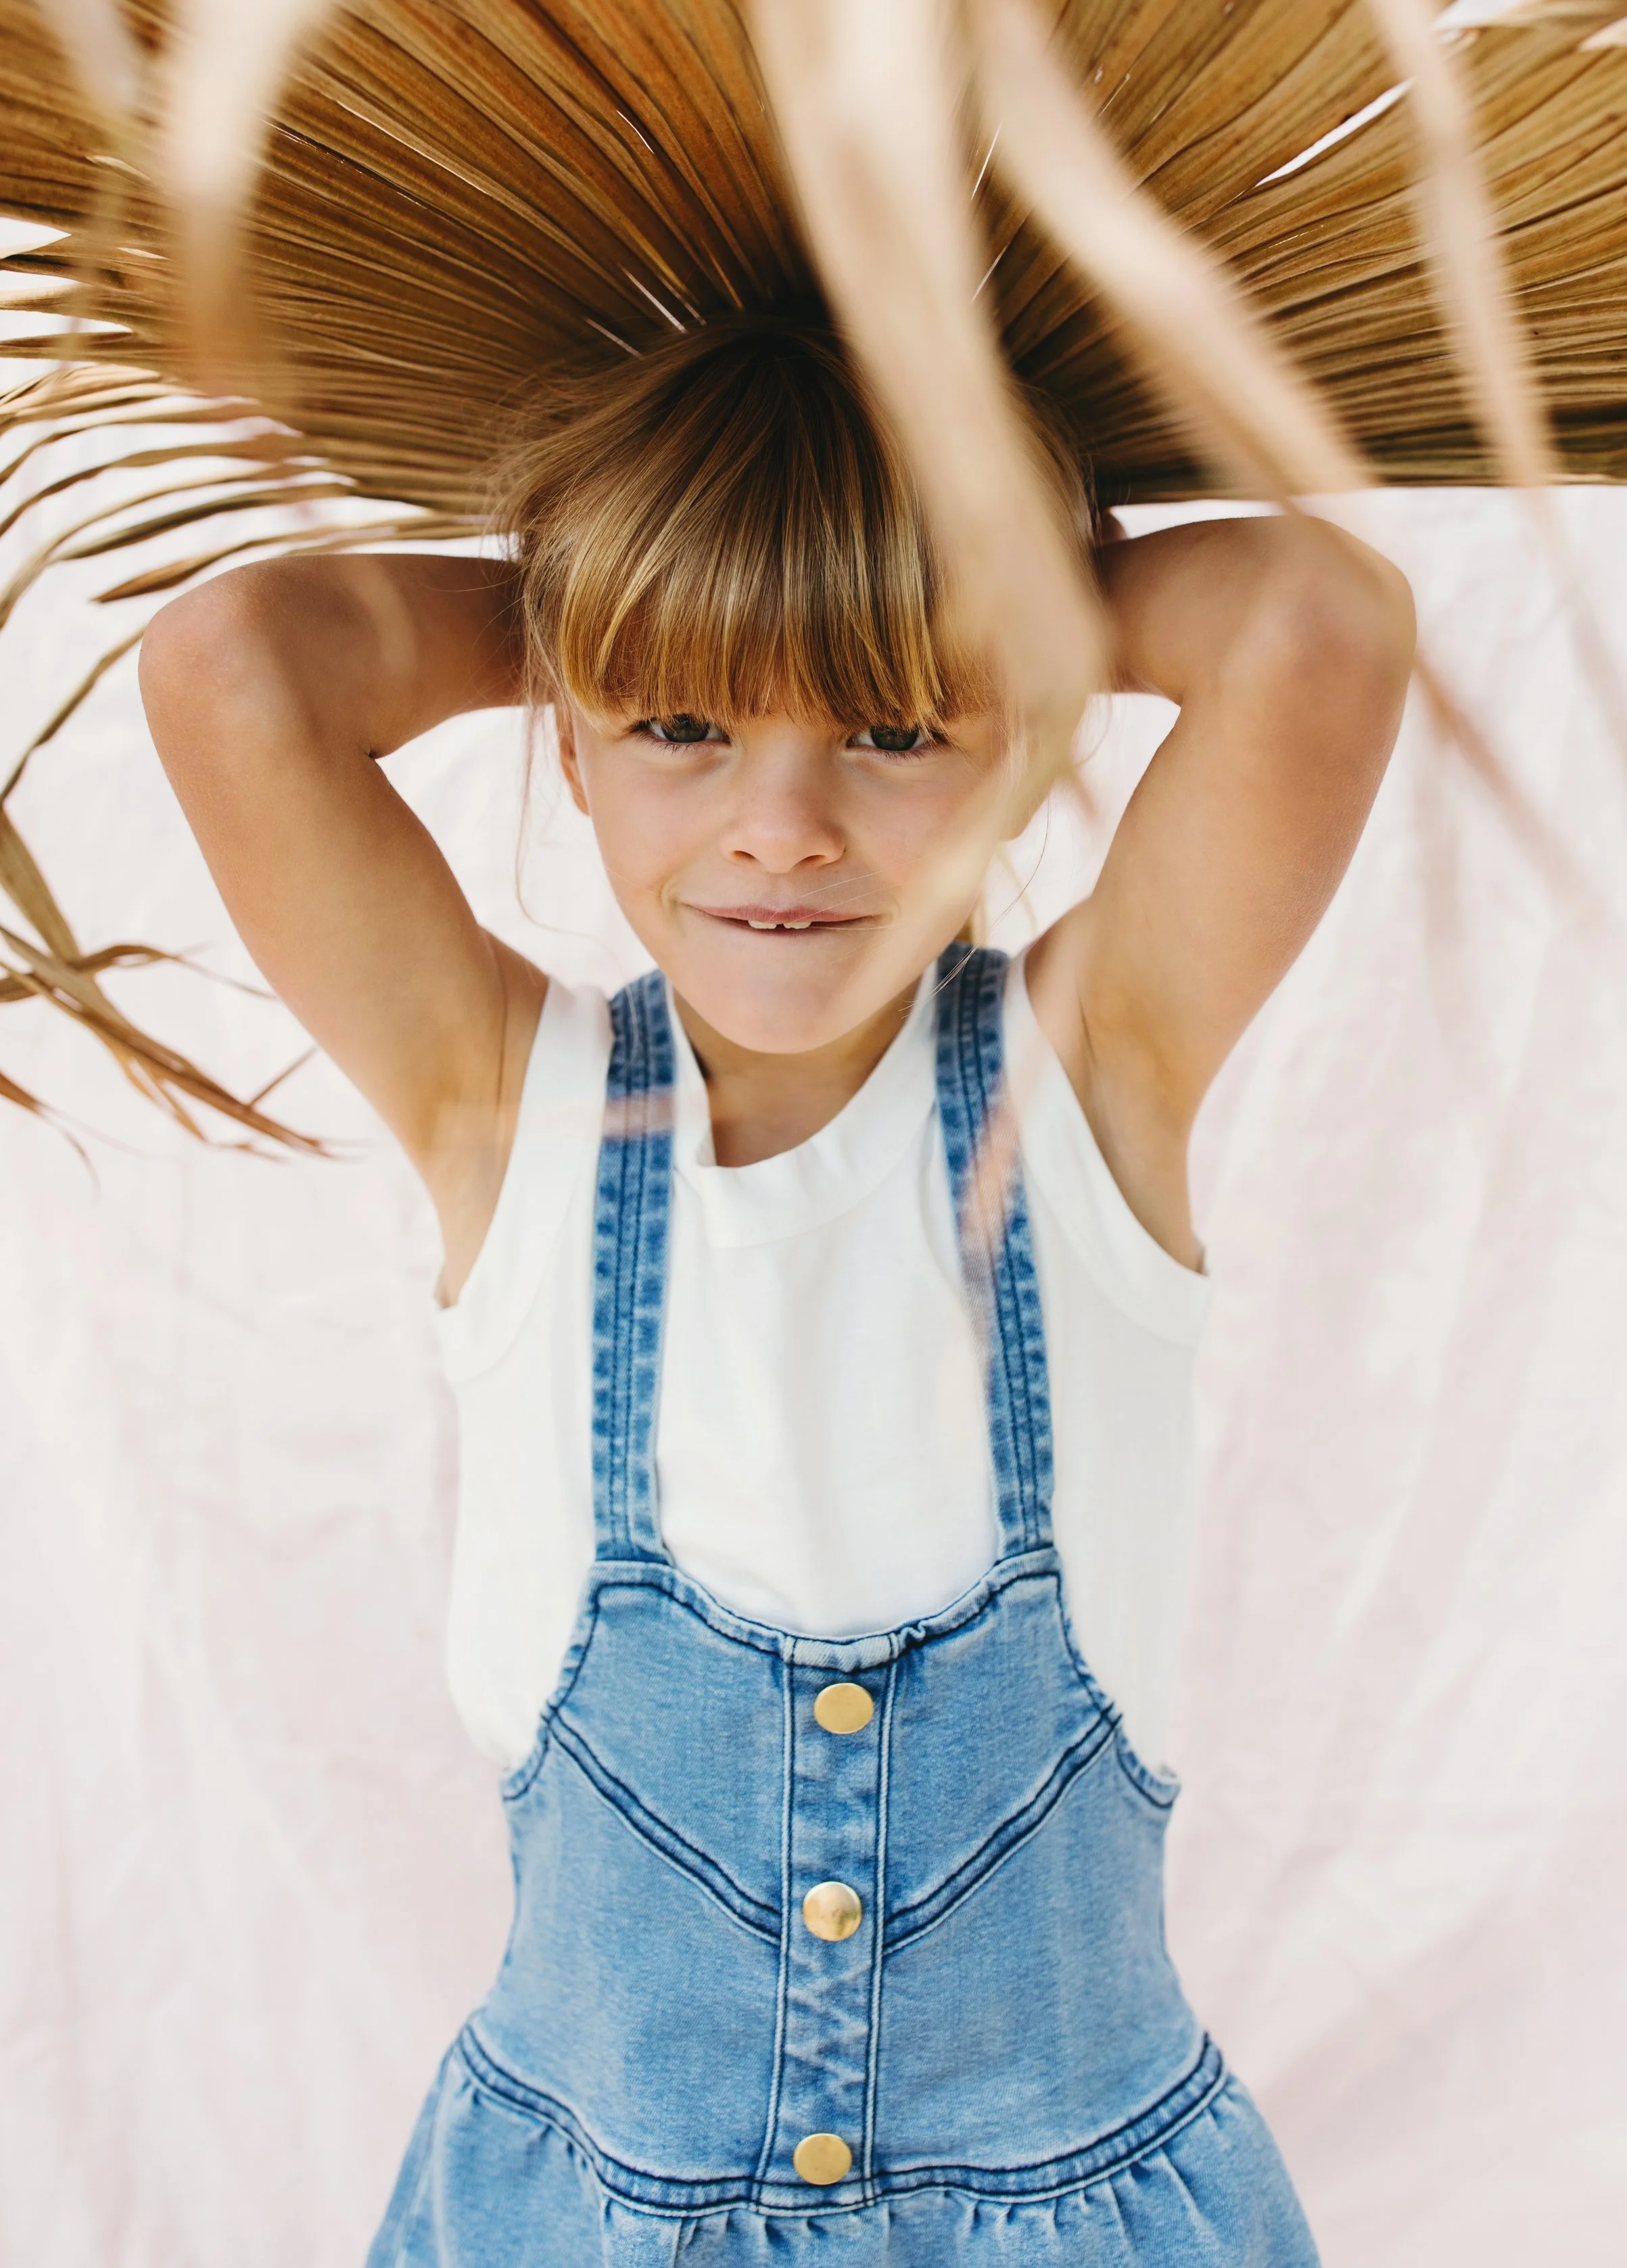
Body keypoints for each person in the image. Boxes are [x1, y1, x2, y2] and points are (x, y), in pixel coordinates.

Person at [139, 318, 1414, 2265]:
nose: (782, 825)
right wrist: (657, 574)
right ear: (566, 737)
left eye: (897, 730)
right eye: (681, 727)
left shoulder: (1092, 1084)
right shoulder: (513, 1117)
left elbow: (1313, 621)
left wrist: (913, 573)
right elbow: (233, 668)